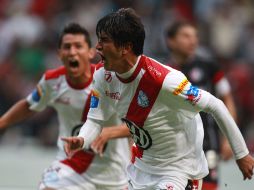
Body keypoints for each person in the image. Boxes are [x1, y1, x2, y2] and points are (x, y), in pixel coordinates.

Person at [62, 8, 254, 190]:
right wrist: (82, 139)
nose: (97, 47)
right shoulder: (103, 75)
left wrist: (241, 154)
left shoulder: (164, 80)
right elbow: (95, 119)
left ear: (125, 47)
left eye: (104, 40)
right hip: (140, 170)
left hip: (178, 172)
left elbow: (216, 104)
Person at [0, 23, 130, 190]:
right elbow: (29, 105)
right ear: (59, 54)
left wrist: (108, 132)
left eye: (78, 46)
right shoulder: (52, 81)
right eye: (67, 47)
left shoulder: (111, 81)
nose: (72, 52)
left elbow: (140, 123)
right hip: (71, 166)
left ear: (91, 52)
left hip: (115, 173)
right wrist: (3, 122)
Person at [165, 20, 237, 189]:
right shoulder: (163, 71)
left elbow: (227, 99)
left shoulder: (210, 67)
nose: (193, 41)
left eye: (195, 36)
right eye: (186, 36)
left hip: (208, 145)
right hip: (174, 149)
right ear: (171, 41)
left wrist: (228, 138)